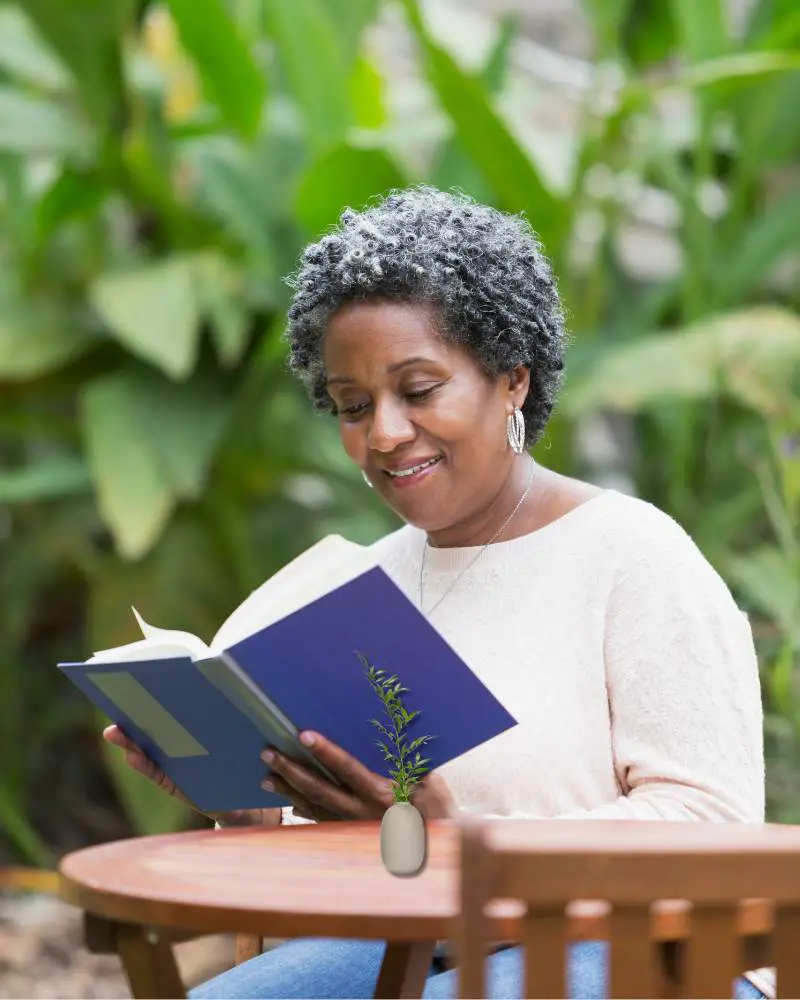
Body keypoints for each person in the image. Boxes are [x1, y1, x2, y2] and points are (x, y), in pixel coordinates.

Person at [103, 187, 766, 999]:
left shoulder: (632, 555)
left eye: (418, 391)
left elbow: (715, 829)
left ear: (512, 378)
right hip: (430, 948)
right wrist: (250, 808)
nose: (383, 433)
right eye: (353, 406)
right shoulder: (357, 587)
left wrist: (463, 845)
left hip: (644, 957)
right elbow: (379, 869)